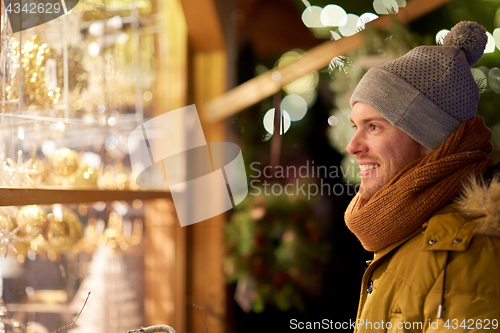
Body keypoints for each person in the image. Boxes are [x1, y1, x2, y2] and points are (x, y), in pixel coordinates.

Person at [344, 21, 500, 332]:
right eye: (355, 126)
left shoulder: (469, 252)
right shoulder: (404, 231)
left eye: (373, 126)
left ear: (428, 138)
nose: (353, 146)